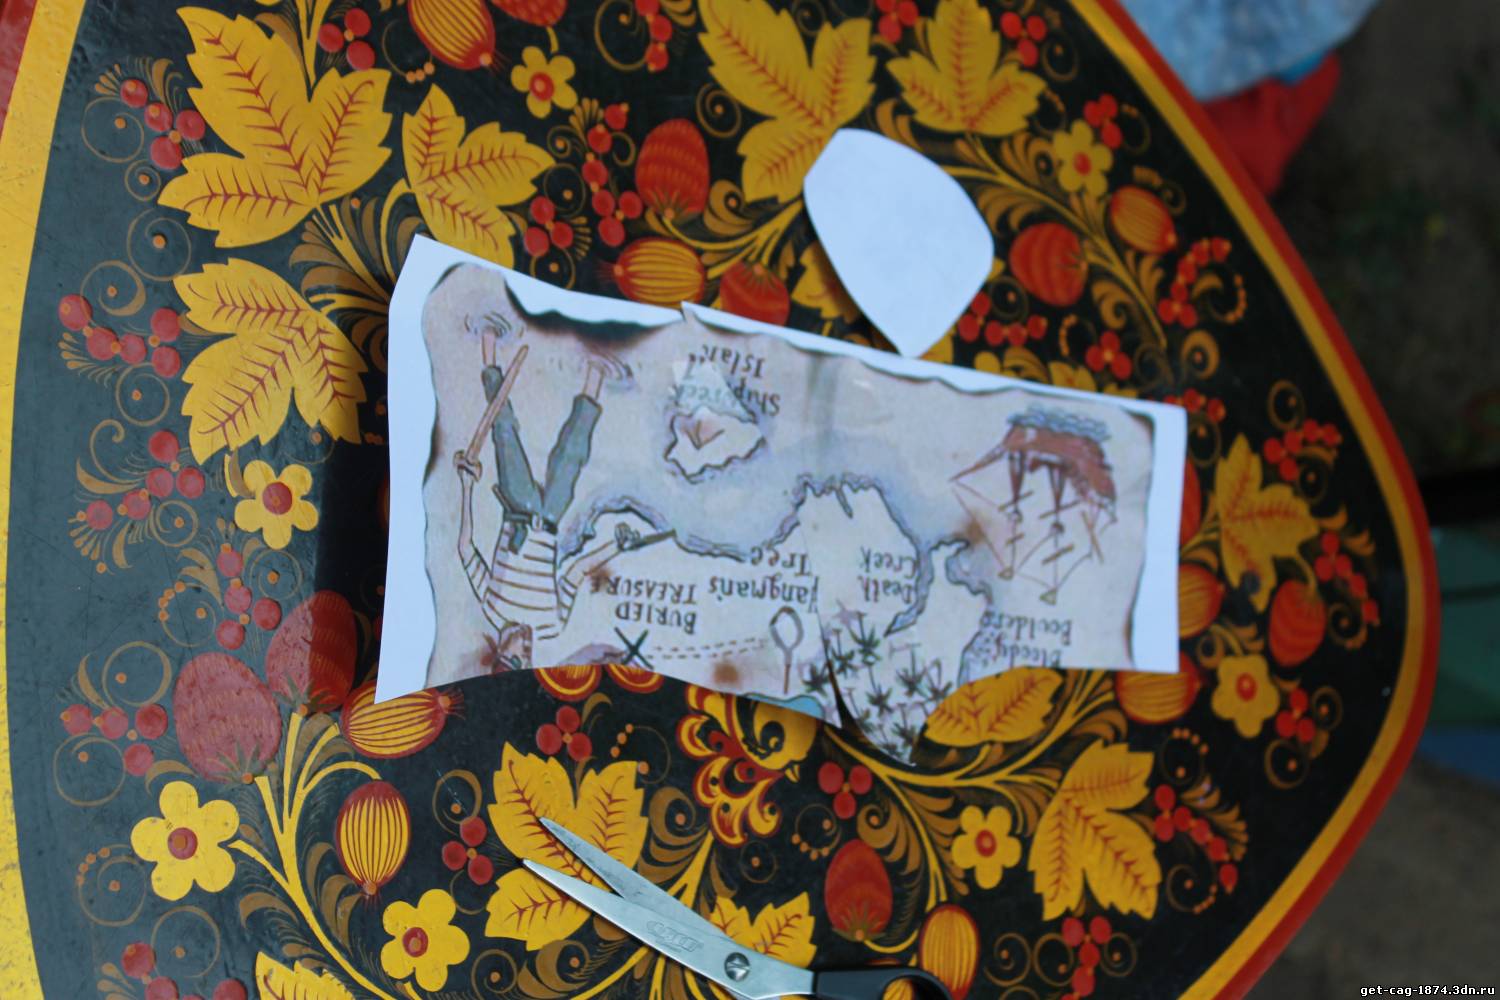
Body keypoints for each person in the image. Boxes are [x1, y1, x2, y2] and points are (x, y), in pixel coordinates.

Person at [454, 313, 620, 656]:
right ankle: (596, 372)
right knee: (572, 454)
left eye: (519, 655)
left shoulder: (491, 607)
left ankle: (488, 341)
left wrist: (467, 486)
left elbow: (466, 548)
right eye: (529, 656)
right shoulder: (551, 627)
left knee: (504, 431)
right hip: (550, 518)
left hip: (518, 506)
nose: (527, 648)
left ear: (501, 650)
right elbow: (576, 572)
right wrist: (616, 546)